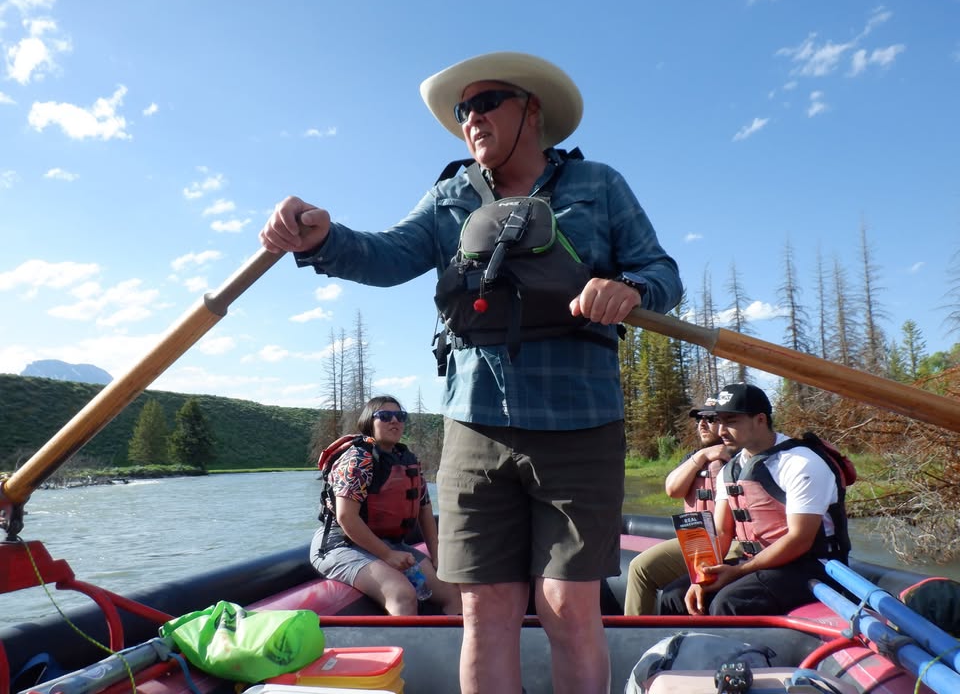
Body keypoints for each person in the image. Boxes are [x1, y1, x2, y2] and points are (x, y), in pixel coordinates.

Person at [261, 51, 682, 694]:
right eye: (463, 111)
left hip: (581, 424)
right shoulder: (452, 195)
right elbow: (386, 254)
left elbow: (663, 274)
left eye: (486, 103)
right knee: (484, 611)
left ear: (531, 111)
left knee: (570, 609)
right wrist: (322, 239)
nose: (471, 120)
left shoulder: (598, 184)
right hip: (475, 428)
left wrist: (628, 288)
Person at [658, 383, 850, 617]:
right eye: (719, 421)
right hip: (758, 562)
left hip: (812, 565)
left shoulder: (800, 463)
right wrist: (702, 576)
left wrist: (739, 572)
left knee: (729, 603)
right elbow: (721, 531)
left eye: (731, 421)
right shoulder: (731, 469)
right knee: (673, 595)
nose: (721, 431)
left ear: (760, 419)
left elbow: (800, 539)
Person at [309, 395, 461, 616]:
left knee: (450, 591)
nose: (394, 421)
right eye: (385, 416)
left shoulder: (407, 460)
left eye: (400, 416)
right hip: (340, 544)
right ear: (370, 422)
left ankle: (456, 649)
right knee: (401, 593)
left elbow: (424, 510)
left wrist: (437, 557)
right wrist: (387, 555)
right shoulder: (357, 459)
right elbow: (346, 517)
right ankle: (407, 651)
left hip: (389, 543)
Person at [623, 397, 732, 615]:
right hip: (698, 540)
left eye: (710, 418)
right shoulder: (693, 458)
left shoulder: (740, 458)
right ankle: (634, 634)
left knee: (672, 590)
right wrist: (702, 456)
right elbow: (673, 490)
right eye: (699, 419)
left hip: (731, 542)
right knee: (640, 568)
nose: (701, 424)